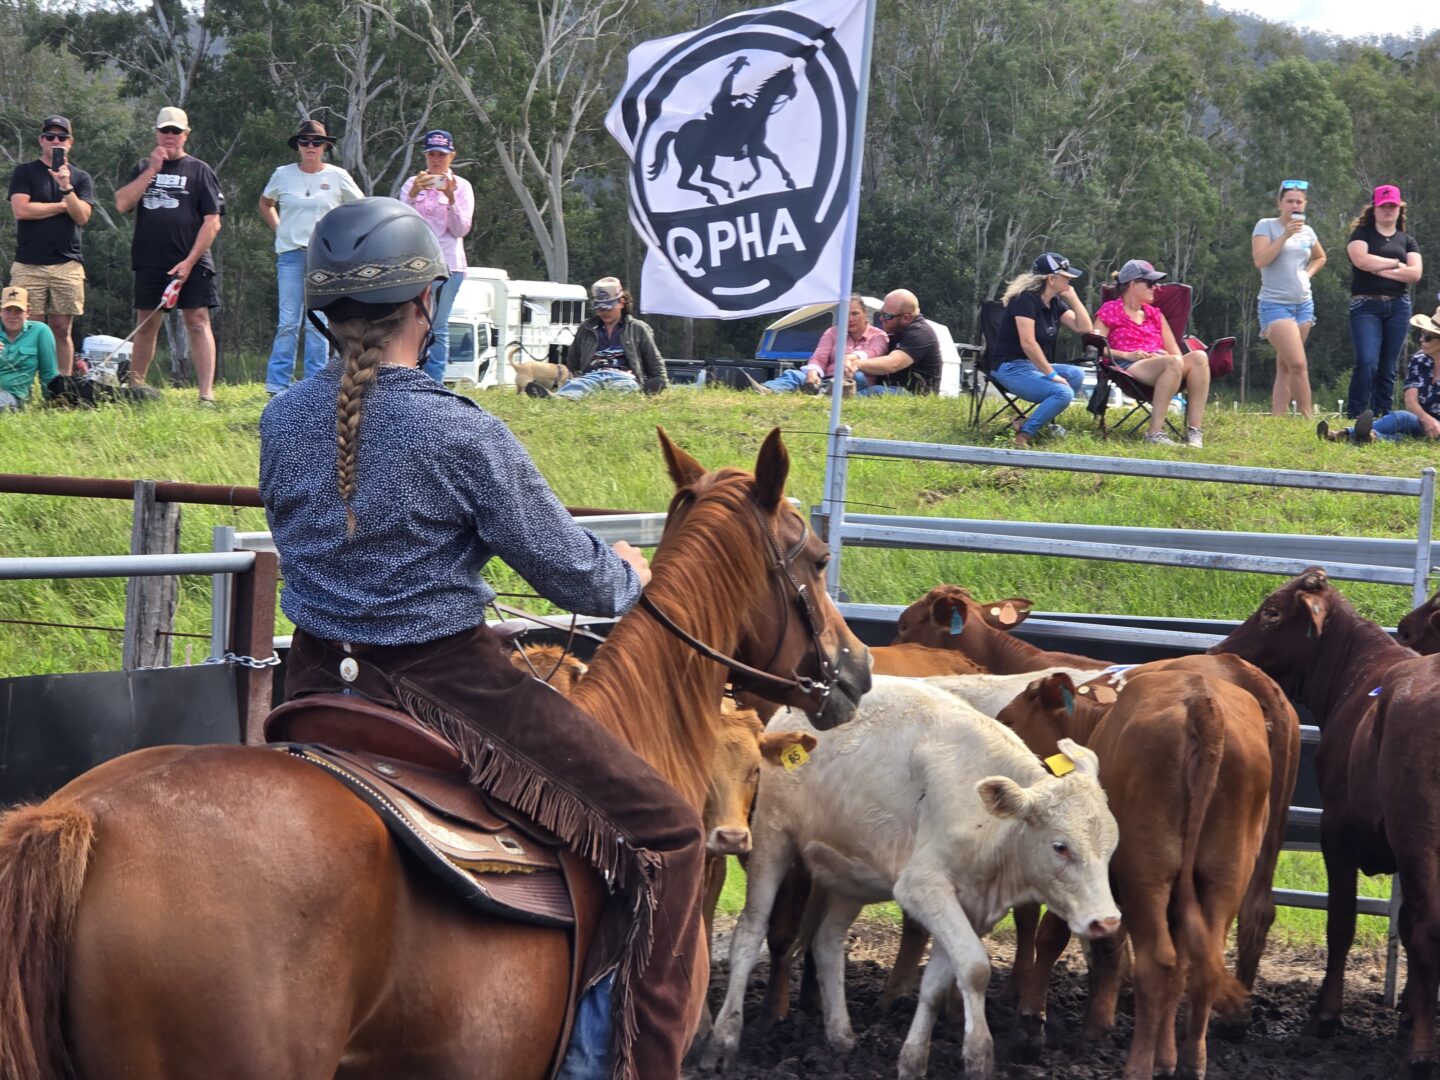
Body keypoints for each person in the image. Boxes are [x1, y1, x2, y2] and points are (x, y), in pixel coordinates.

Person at [259, 198, 702, 1080]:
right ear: (427, 303)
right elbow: (571, 575)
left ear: (322, 312)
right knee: (671, 837)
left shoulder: (281, 420)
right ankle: (621, 1066)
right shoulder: (461, 430)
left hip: (311, 682)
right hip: (444, 685)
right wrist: (630, 576)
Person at [114, 106, 224, 404]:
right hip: (150, 260)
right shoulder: (143, 167)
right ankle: (136, 389)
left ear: (186, 134)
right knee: (147, 323)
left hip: (192, 260)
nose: (170, 136)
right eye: (165, 130)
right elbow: (122, 203)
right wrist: (152, 169)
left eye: (176, 131)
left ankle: (206, 395)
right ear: (157, 133)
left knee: (197, 321)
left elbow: (212, 222)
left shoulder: (200, 170)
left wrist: (189, 262)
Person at [258, 119, 364, 395]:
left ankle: (315, 384)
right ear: (298, 146)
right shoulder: (282, 174)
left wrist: (341, 238)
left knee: (317, 321)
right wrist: (280, 229)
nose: (310, 146)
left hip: (323, 256)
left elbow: (360, 207)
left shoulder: (338, 176)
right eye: (304, 142)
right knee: (288, 322)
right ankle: (277, 385)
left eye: (316, 142)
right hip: (291, 255)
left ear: (325, 146)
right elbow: (266, 202)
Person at [7, 115, 94, 378]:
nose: (56, 141)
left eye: (62, 137)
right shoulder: (25, 172)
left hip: (67, 264)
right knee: (28, 327)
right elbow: (21, 210)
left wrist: (66, 188)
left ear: (71, 142)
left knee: (61, 327)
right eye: (50, 136)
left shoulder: (80, 178)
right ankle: (25, 385)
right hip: (28, 263)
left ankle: (61, 386)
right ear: (41, 140)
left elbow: (82, 216)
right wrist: (62, 206)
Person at [1092, 259, 1210, 447]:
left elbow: (1175, 352)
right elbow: (1096, 346)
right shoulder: (1111, 310)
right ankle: (1154, 433)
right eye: (1150, 283)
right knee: (1173, 362)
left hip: (1164, 365)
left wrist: (1162, 357)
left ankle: (1194, 430)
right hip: (1129, 366)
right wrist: (1126, 355)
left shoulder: (1155, 314)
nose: (1155, 288)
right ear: (1133, 284)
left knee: (1199, 357)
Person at [990, 253, 1094, 448]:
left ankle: (1028, 422)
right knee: (1063, 393)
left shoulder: (1054, 302)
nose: (1070, 280)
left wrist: (1073, 298)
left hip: (1031, 367)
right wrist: (1051, 374)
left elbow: (1084, 328)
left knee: (1076, 374)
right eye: (1066, 277)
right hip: (1010, 367)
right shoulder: (1024, 300)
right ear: (1052, 279)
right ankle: (1023, 436)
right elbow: (1028, 343)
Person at [399, 129, 473, 384]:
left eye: (441, 154)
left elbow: (461, 229)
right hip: (416, 264)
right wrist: (412, 195)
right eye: (431, 154)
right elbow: (400, 222)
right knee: (411, 324)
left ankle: (435, 384)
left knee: (438, 326)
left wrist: (450, 198)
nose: (436, 160)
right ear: (425, 156)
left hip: (448, 265)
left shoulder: (462, 187)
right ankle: (410, 379)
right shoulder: (412, 184)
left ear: (452, 156)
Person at [1344, 184, 1422, 420]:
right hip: (1366, 305)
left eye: (1392, 206)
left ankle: (1382, 415)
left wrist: (1378, 268)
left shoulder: (1407, 241)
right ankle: (1357, 413)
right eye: (1383, 206)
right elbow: (1361, 260)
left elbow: (1415, 273)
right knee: (1367, 361)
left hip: (1398, 305)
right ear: (1375, 208)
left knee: (1388, 365)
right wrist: (1396, 264)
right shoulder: (1362, 234)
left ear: (1399, 209)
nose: (1388, 210)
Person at [1252, 179, 1326, 419]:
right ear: (1280, 203)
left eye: (1299, 202)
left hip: (1303, 303)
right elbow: (1260, 260)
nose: (1294, 205)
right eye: (1290, 201)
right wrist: (1285, 235)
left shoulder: (1308, 231)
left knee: (1285, 364)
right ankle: (1308, 418)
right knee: (1297, 363)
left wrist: (1308, 274)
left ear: (1305, 204)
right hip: (1275, 304)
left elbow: (1320, 257)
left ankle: (1278, 417)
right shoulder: (1266, 226)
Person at [1320, 301, 1440, 444]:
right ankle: (1360, 435)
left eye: (1427, 337)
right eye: (1422, 334)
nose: (1421, 339)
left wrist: (1435, 426)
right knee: (1404, 420)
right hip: (1419, 420)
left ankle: (1345, 435)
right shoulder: (1419, 360)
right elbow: (1410, 400)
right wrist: (1427, 420)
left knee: (1406, 433)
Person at [531, 276, 666, 399]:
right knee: (577, 386)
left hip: (624, 376)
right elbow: (572, 362)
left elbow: (655, 362)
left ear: (622, 302)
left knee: (626, 388)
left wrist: (659, 382)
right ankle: (558, 397)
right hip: (591, 376)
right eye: (599, 308)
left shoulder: (638, 328)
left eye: (608, 307)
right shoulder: (585, 328)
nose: (603, 312)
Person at [756, 294, 887, 393]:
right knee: (794, 374)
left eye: (855, 314)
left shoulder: (879, 335)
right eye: (845, 314)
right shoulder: (833, 332)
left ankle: (823, 392)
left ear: (865, 313)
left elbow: (872, 353)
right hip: (828, 380)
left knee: (858, 376)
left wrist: (851, 358)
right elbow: (819, 357)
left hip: (857, 383)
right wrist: (813, 372)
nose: (850, 319)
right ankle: (766, 390)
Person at [848, 288, 941, 395]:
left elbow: (893, 364)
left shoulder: (921, 333)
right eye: (881, 313)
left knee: (876, 390)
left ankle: (840, 402)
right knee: (857, 377)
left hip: (914, 395)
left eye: (886, 316)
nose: (881, 318)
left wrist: (856, 364)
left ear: (905, 318)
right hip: (889, 389)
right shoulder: (897, 330)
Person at [0, 286, 59, 411]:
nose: (12, 316)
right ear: (0, 311)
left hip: (14, 396)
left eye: (18, 311)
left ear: (28, 312)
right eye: (8, 310)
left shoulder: (40, 331)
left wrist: (53, 404)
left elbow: (49, 373)